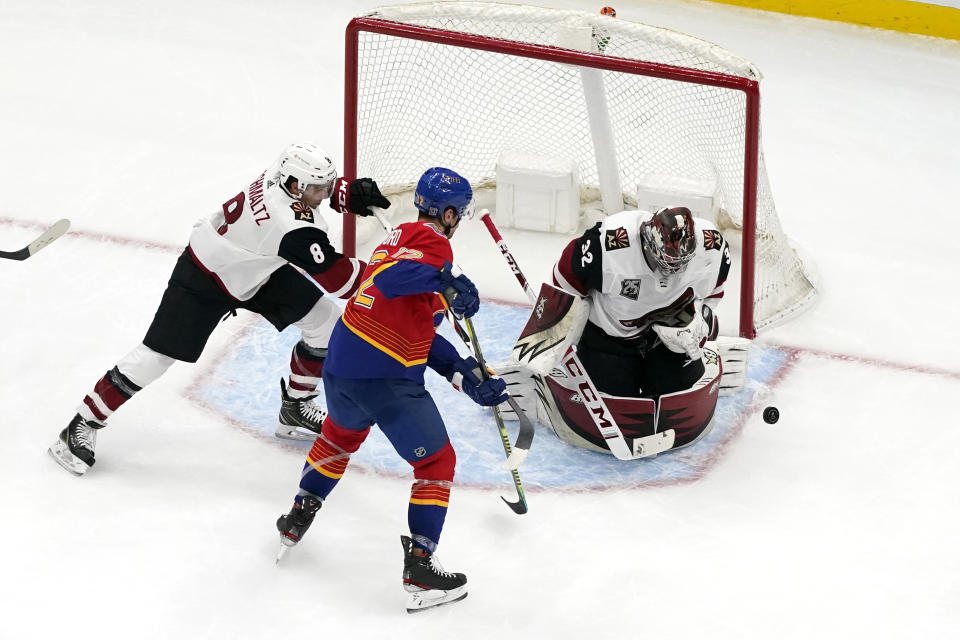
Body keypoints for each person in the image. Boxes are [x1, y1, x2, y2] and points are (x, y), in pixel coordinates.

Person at [48, 142, 391, 476]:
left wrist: (341, 191)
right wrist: (393, 271)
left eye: (326, 185)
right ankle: (81, 423)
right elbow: (342, 282)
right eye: (319, 187)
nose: (324, 192)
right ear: (295, 186)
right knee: (156, 356)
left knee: (326, 322)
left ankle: (296, 408)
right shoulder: (292, 228)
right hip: (206, 275)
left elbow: (311, 197)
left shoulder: (281, 177)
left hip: (256, 267)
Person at [273, 167, 508, 613]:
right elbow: (390, 282)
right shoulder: (436, 248)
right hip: (384, 373)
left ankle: (298, 515)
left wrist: (464, 375)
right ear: (451, 213)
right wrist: (448, 281)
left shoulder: (398, 235)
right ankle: (420, 567)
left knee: (340, 439)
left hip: (342, 364)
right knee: (439, 461)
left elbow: (419, 328)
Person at [551, 205, 731, 399]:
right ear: (649, 241)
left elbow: (713, 295)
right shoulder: (607, 244)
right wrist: (557, 333)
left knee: (679, 396)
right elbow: (563, 282)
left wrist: (697, 323)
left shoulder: (713, 246)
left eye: (682, 262)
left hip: (669, 340)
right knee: (613, 403)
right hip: (610, 339)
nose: (674, 270)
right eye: (668, 261)